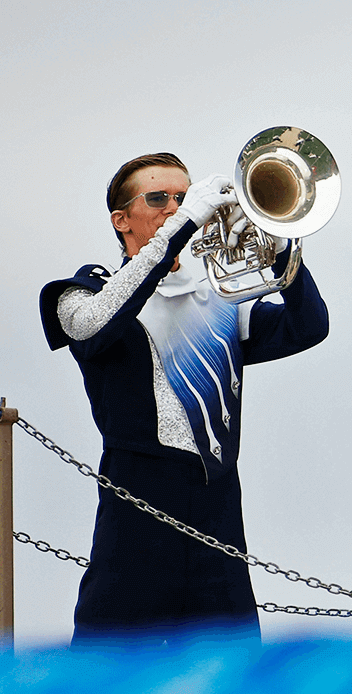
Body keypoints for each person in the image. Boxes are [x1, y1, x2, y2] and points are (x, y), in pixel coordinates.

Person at [37, 152, 330, 642]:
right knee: (112, 668)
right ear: (121, 219)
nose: (175, 207)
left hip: (218, 509)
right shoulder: (86, 292)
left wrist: (279, 249)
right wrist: (185, 223)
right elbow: (91, 329)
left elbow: (310, 326)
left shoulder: (217, 301)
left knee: (232, 681)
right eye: (159, 199)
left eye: (183, 197)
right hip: (137, 508)